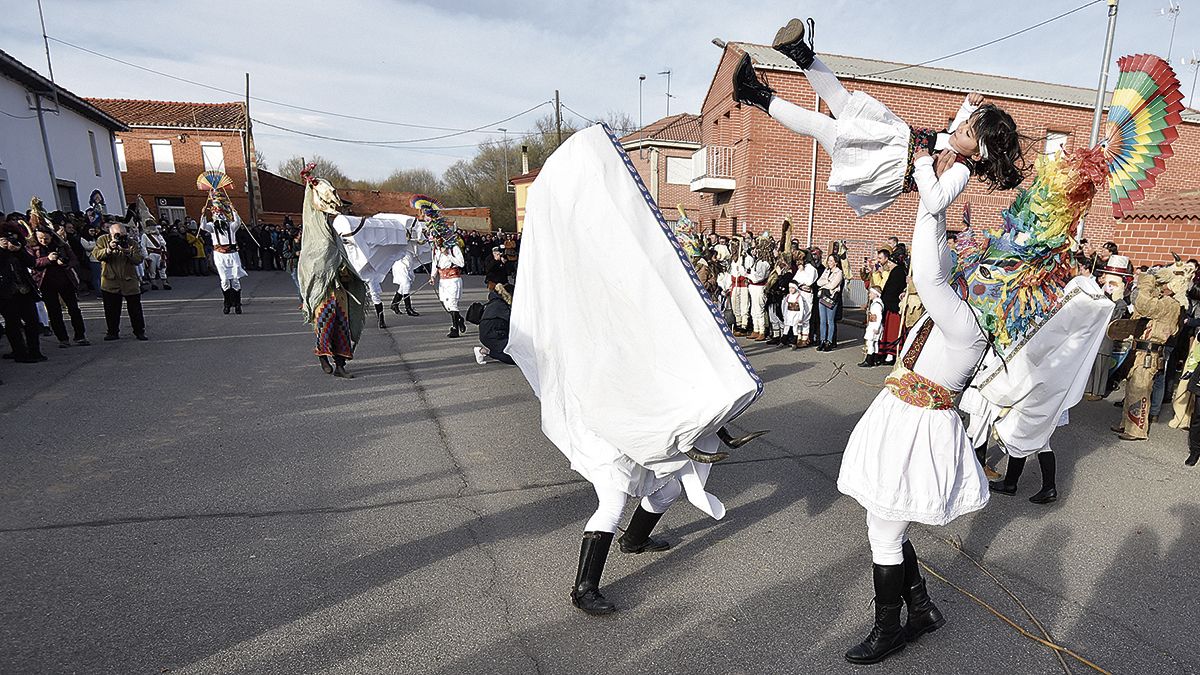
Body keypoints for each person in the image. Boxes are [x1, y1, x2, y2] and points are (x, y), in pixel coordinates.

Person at [505, 125, 766, 617]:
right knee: (613, 497)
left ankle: (635, 541)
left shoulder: (634, 326)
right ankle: (584, 587)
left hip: (645, 419)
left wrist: (717, 418)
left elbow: (670, 362)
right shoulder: (589, 333)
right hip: (607, 425)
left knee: (671, 485)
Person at [836, 141, 993, 664]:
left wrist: (933, 167)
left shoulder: (966, 324)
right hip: (906, 420)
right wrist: (945, 162)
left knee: (884, 527)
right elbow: (934, 248)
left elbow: (928, 270)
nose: (960, 260)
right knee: (887, 520)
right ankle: (921, 608)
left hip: (919, 430)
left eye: (975, 263)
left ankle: (891, 629)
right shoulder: (955, 313)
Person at [733, 19, 1024, 217]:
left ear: (979, 155)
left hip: (884, 167)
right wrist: (968, 105)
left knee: (823, 126)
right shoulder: (958, 139)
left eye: (970, 133)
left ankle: (755, 94)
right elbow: (957, 129)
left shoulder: (961, 171)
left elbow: (935, 202)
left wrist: (923, 163)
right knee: (844, 103)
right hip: (891, 139)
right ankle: (799, 52)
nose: (963, 128)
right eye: (968, 123)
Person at [297, 165, 366, 379]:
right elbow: (312, 268)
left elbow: (343, 260)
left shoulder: (336, 237)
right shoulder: (315, 241)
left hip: (341, 293)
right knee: (325, 325)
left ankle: (341, 364)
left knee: (342, 327)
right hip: (323, 294)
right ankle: (323, 356)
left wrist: (346, 272)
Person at [1113, 273, 1180, 441]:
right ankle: (1126, 424)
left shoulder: (1170, 304)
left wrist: (1146, 283)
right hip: (1140, 352)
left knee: (1140, 390)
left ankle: (1137, 430)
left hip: (1149, 353)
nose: (1160, 287)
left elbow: (1143, 304)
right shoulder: (1162, 302)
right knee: (1131, 389)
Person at [28, 227, 88, 347]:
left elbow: (74, 260)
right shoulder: (32, 248)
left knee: (74, 310)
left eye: (46, 238)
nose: (43, 241)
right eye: (40, 238)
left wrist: (65, 263)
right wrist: (48, 260)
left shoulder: (61, 245)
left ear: (51, 236)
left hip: (65, 281)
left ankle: (80, 336)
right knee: (54, 312)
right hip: (46, 283)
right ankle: (63, 339)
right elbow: (32, 263)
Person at [94, 222, 147, 341]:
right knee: (111, 309)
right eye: (118, 235)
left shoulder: (131, 243)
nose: (121, 237)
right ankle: (112, 332)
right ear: (111, 234)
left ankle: (139, 331)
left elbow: (138, 259)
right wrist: (109, 249)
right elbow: (97, 255)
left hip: (129, 280)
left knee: (135, 309)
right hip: (110, 280)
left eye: (123, 234)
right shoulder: (103, 240)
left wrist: (128, 252)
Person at [0, 224, 45, 362]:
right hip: (6, 293)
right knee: (12, 324)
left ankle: (35, 351)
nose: (10, 239)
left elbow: (32, 262)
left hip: (25, 290)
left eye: (12, 235)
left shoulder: (20, 248)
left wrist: (19, 250)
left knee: (32, 322)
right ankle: (20, 353)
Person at [200, 205, 249, 315]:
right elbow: (203, 227)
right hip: (219, 255)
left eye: (221, 213)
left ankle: (237, 304)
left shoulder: (231, 226)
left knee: (236, 280)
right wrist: (203, 214)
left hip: (232, 254)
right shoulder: (212, 226)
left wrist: (234, 210)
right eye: (217, 213)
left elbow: (238, 222)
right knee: (225, 280)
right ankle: (227, 303)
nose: (219, 215)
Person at [432, 233, 466, 338]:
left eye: (437, 238)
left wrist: (448, 255)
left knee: (452, 303)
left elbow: (461, 263)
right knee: (446, 305)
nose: (436, 241)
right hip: (443, 280)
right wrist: (433, 276)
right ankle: (459, 319)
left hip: (453, 279)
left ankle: (455, 329)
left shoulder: (453, 248)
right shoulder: (435, 250)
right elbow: (435, 264)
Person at [474, 283, 516, 365]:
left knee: (514, 353)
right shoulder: (503, 306)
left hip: (488, 333)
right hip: (493, 334)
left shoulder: (495, 301)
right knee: (515, 358)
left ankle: (487, 350)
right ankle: (484, 351)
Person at [788, 251, 817, 347]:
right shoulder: (801, 269)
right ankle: (798, 337)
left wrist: (802, 272)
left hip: (807, 295)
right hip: (799, 294)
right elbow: (795, 280)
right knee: (798, 316)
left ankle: (805, 339)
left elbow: (808, 282)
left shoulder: (811, 269)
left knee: (805, 317)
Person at [816, 253, 844, 350]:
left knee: (830, 321)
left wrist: (825, 283)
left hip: (831, 298)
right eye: (828, 260)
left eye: (831, 261)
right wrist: (827, 281)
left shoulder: (839, 272)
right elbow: (818, 282)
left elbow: (833, 286)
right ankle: (822, 340)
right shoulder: (826, 270)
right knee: (822, 321)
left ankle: (830, 341)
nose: (829, 262)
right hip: (823, 297)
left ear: (836, 262)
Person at [140, 222, 171, 290]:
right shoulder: (145, 235)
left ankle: (165, 283)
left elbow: (163, 243)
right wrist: (146, 256)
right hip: (151, 253)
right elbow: (143, 246)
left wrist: (164, 251)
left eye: (153, 226)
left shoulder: (158, 234)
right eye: (151, 226)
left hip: (160, 253)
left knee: (162, 267)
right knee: (152, 269)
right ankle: (154, 284)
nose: (153, 228)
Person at [860, 286, 884, 367]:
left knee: (870, 343)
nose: (869, 294)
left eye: (870, 293)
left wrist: (876, 328)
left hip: (874, 326)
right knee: (875, 343)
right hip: (874, 325)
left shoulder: (876, 304)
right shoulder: (876, 303)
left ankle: (869, 360)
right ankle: (875, 359)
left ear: (876, 294)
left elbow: (879, 317)